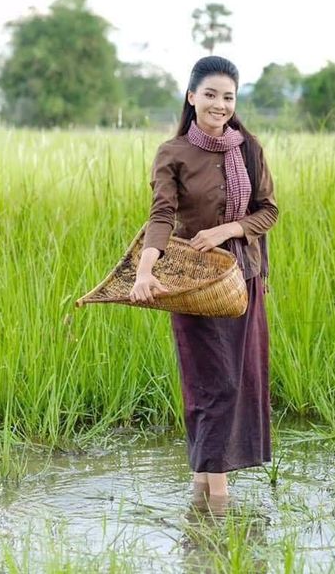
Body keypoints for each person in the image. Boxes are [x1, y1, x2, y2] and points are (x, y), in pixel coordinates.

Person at [129, 55, 279, 506]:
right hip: (194, 285)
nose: (219, 104)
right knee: (211, 384)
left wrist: (227, 230)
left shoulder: (248, 149)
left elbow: (267, 211)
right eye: (210, 94)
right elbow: (161, 216)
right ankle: (218, 502)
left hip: (242, 279)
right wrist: (144, 270)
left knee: (241, 381)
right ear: (191, 97)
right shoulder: (173, 154)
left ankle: (201, 485)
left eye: (228, 96)